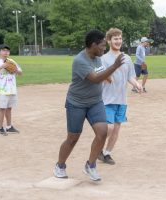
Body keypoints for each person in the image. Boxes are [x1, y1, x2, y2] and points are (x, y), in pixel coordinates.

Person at [53, 30, 125, 181]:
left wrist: (109, 78)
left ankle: (90, 165)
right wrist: (115, 66)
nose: (104, 49)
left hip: (95, 102)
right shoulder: (80, 60)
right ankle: (60, 165)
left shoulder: (97, 57)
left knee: (102, 132)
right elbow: (95, 78)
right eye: (102, 46)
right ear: (93, 45)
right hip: (77, 103)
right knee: (73, 138)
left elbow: (100, 73)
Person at [98, 28, 142, 165]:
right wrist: (106, 78)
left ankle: (106, 153)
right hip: (107, 99)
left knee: (116, 128)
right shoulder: (103, 59)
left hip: (121, 100)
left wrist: (137, 84)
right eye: (115, 38)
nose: (118, 41)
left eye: (120, 38)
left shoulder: (127, 58)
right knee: (109, 128)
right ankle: (98, 147)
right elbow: (100, 77)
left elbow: (130, 76)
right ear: (109, 40)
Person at [0, 45, 22, 136]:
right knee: (2, 108)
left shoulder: (12, 61)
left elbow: (20, 73)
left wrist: (15, 70)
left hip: (11, 88)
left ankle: (9, 127)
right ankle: (0, 128)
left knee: (9, 108)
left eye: (7, 50)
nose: (6, 52)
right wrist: (2, 66)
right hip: (1, 89)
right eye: (3, 50)